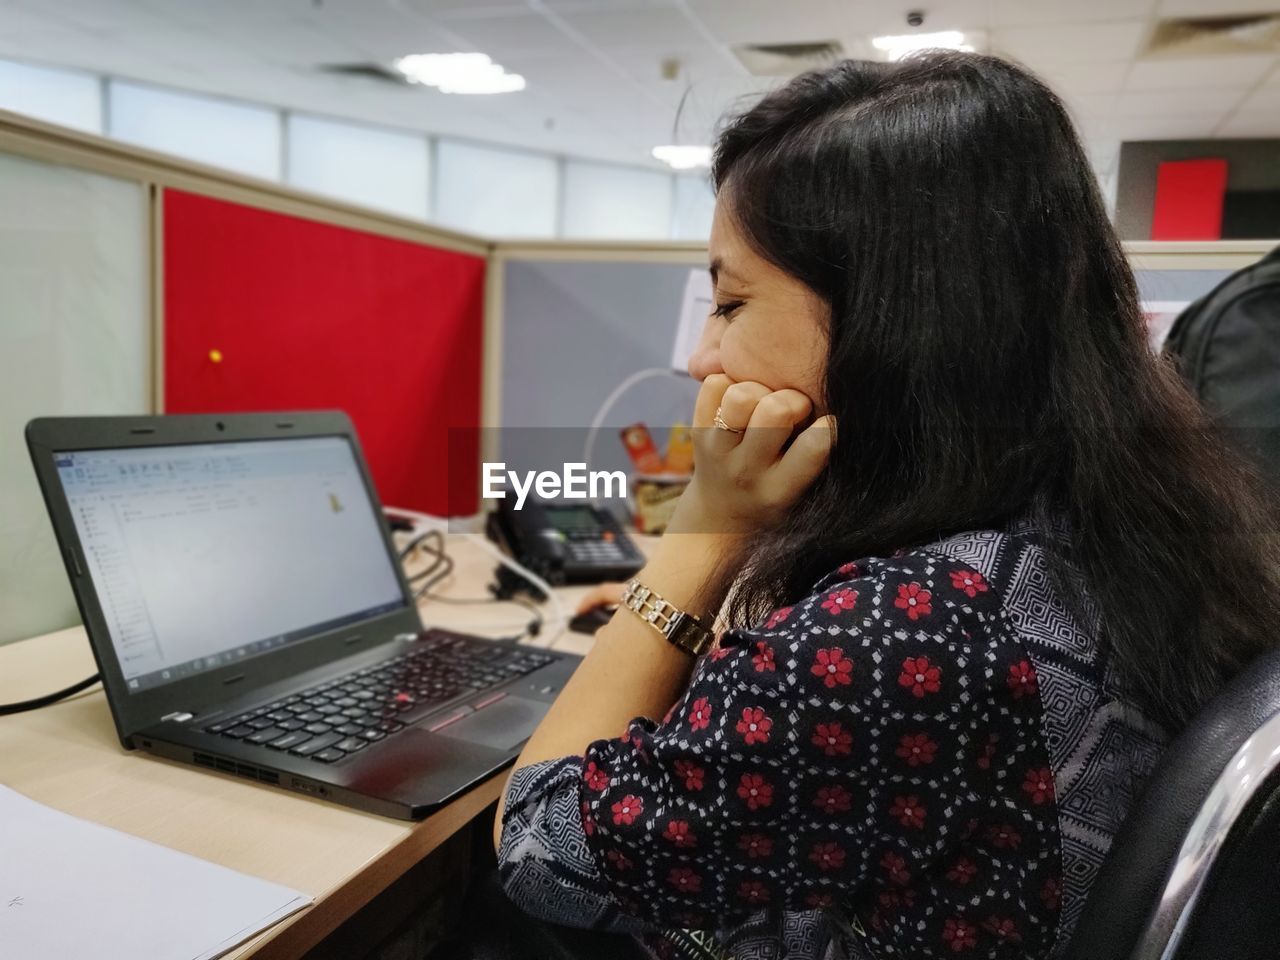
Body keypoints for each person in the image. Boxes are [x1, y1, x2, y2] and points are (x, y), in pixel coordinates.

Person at [490, 52, 1280, 960]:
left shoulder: (906, 631)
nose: (704, 358)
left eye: (732, 301)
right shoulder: (1109, 519)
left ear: (891, 318)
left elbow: (539, 844)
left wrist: (703, 532)